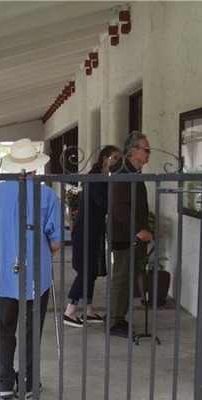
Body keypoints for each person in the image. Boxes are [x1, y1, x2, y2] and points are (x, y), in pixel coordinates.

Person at [0, 138, 62, 399]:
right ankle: (28, 382)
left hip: (2, 274)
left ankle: (4, 382)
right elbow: (56, 241)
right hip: (36, 275)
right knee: (31, 330)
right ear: (34, 167)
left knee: (4, 329)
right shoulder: (47, 195)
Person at [62, 145, 121, 327]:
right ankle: (69, 311)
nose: (116, 161)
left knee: (92, 271)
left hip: (94, 229)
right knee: (85, 270)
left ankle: (88, 310)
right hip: (85, 229)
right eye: (114, 158)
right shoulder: (95, 176)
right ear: (104, 158)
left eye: (119, 158)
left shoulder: (104, 176)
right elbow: (102, 202)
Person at [108, 131, 154, 338]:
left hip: (130, 235)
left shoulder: (132, 171)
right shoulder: (124, 172)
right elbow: (119, 206)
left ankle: (118, 316)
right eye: (146, 149)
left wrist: (146, 228)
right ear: (134, 151)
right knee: (122, 279)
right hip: (124, 235)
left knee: (128, 278)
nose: (149, 153)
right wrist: (137, 229)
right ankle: (114, 320)